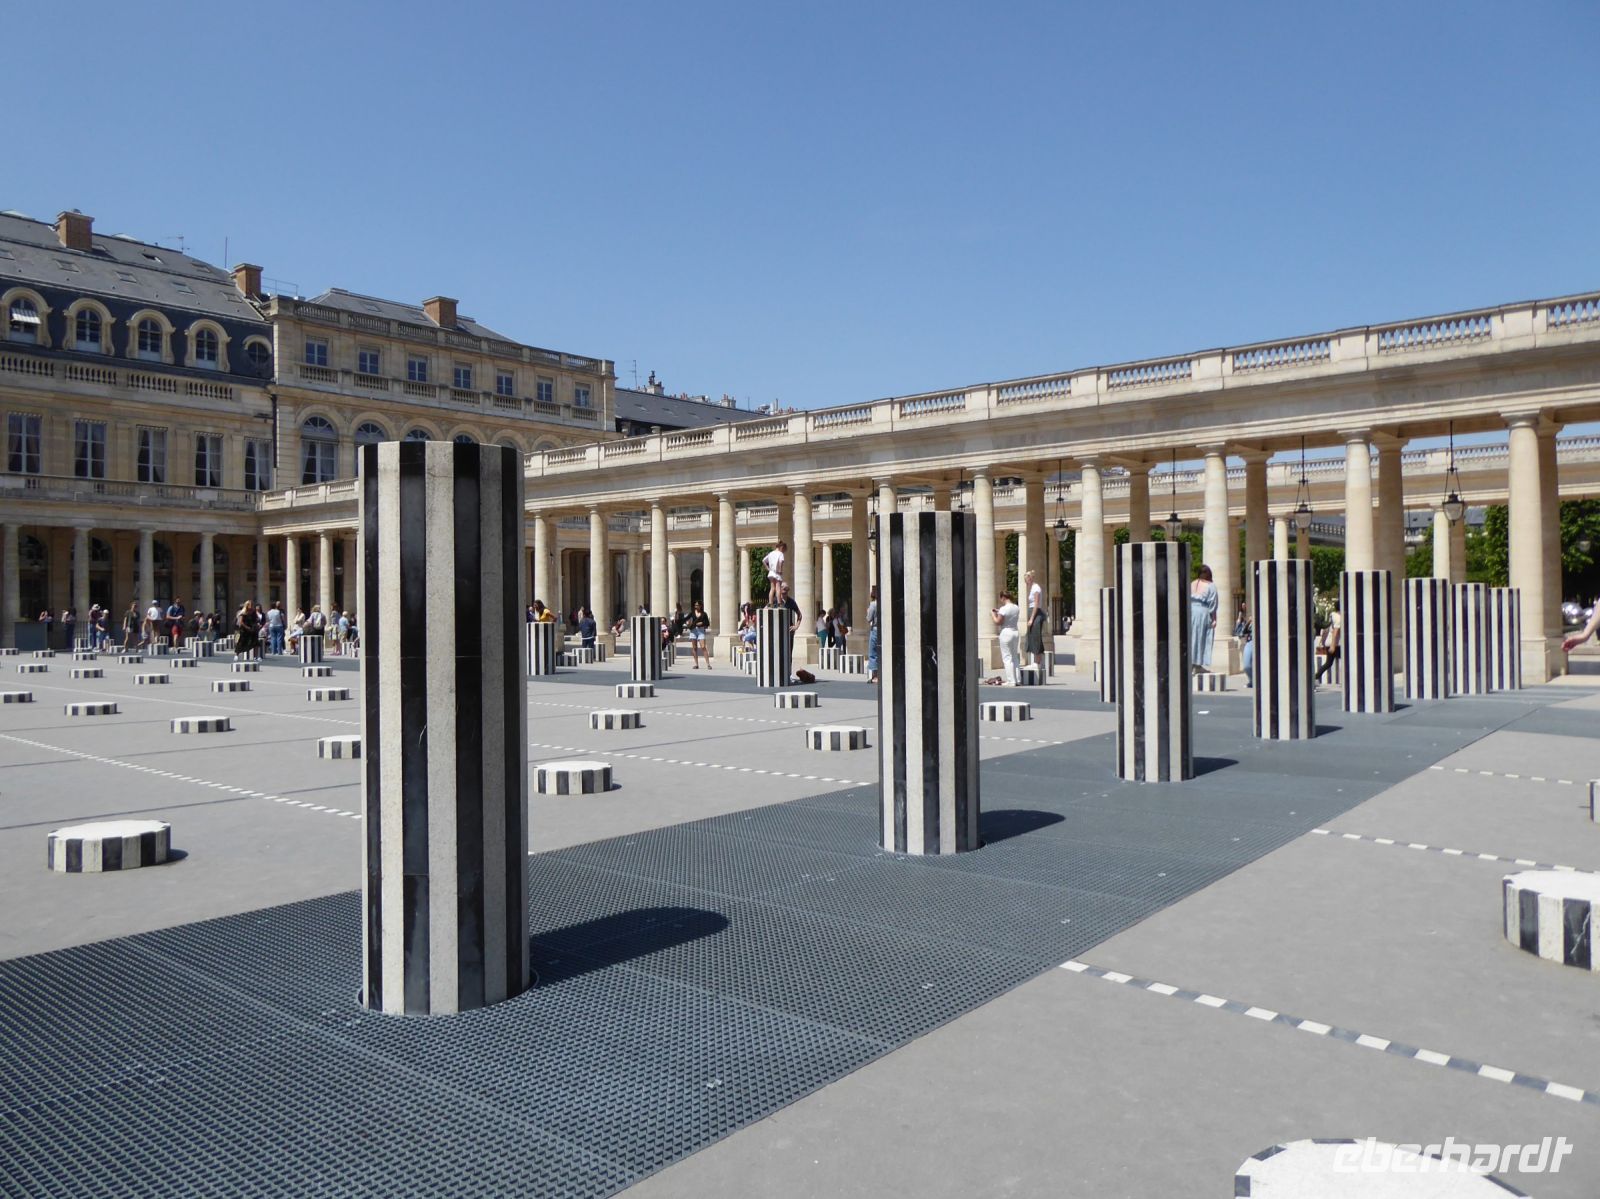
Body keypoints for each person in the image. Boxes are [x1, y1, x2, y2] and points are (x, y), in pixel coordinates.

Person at [1189, 566, 1217, 673]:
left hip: (1191, 611)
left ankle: (1191, 663)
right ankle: (1197, 664)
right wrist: (1214, 618)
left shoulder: (1192, 583)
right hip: (1202, 612)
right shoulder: (1211, 586)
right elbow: (1213, 604)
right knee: (1201, 637)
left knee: (1192, 637)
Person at [989, 590, 1021, 685]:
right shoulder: (1016, 607)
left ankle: (1011, 680)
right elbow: (1009, 615)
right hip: (1015, 632)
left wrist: (993, 615)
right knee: (1014, 657)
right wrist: (999, 611)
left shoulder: (1003, 609)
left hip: (1006, 632)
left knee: (1007, 658)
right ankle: (1018, 679)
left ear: (1003, 597)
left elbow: (998, 622)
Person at [1315, 600, 1343, 684]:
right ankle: (1315, 677)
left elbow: (1326, 629)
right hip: (1336, 644)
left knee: (1328, 663)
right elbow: (1336, 631)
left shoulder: (1332, 616)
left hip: (1330, 642)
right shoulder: (1338, 618)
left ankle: (1315, 677)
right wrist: (1333, 645)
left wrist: (1322, 640)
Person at [1023, 570, 1047, 668]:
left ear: (1030, 578)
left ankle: (1038, 662)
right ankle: (1036, 661)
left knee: (1036, 636)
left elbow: (1036, 604)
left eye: (1026, 580)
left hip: (1035, 613)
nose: (1026, 582)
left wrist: (1031, 619)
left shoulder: (1036, 588)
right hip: (1032, 612)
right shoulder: (1033, 588)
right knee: (1032, 636)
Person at [687, 599, 712, 669]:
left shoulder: (704, 614)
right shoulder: (692, 613)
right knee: (694, 648)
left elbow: (707, 623)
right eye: (695, 605)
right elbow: (686, 619)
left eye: (697, 605)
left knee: (703, 647)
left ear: (701, 606)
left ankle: (708, 664)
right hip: (693, 631)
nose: (696, 606)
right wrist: (686, 623)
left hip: (701, 631)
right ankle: (696, 664)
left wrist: (702, 623)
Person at [865, 585, 880, 684]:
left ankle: (875, 676)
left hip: (875, 629)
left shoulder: (873, 605)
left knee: (873, 652)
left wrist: (867, 612)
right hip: (883, 630)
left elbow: (868, 618)